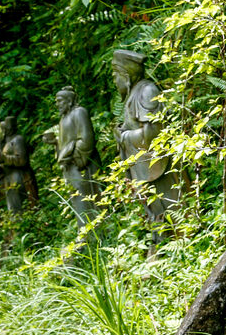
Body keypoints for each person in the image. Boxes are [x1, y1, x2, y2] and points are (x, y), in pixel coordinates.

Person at [112, 50, 181, 221]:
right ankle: (163, 236)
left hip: (158, 162)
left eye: (116, 75)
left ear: (126, 75)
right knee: (156, 209)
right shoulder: (135, 93)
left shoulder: (146, 91)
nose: (115, 81)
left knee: (173, 207)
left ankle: (181, 234)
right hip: (145, 164)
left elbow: (153, 135)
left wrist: (124, 136)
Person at [55, 86, 99, 222]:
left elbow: (86, 140)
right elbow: (66, 142)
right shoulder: (63, 119)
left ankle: (97, 232)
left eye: (60, 101)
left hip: (82, 164)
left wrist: (73, 156)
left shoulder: (79, 112)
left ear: (69, 100)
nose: (57, 104)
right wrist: (56, 144)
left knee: (88, 199)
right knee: (78, 201)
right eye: (56, 101)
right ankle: (85, 234)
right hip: (70, 166)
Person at [0, 116, 38, 211]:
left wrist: (4, 158)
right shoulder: (7, 143)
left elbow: (21, 160)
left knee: (24, 206)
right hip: (9, 178)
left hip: (20, 177)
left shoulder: (18, 139)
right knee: (14, 208)